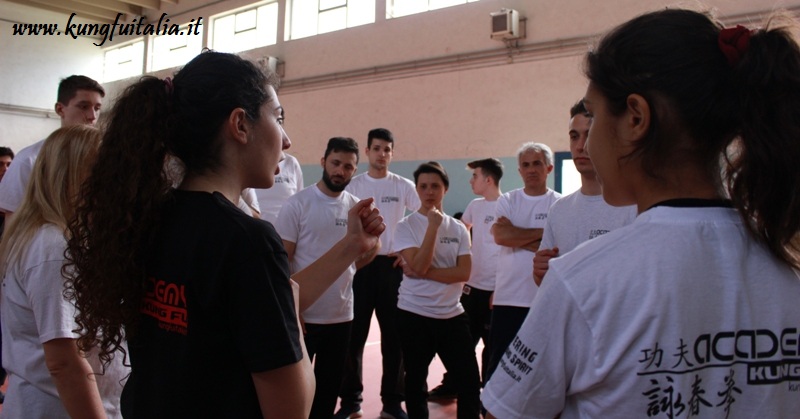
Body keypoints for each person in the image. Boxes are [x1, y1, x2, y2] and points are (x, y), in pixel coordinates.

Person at [483, 8, 800, 418]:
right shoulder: (787, 270)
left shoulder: (583, 282)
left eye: (593, 118)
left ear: (635, 118)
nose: (585, 143)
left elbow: (507, 411)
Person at [63, 51, 385, 419]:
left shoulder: (148, 217)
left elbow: (255, 305)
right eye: (278, 119)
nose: (287, 140)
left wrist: (351, 246)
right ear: (240, 125)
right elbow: (291, 409)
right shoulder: (246, 241)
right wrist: (294, 326)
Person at [0, 125, 128, 418]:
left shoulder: (54, 238)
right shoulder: (53, 246)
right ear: (76, 177)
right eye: (105, 171)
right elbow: (64, 361)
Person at [276, 136, 376, 419]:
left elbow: (371, 248)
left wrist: (355, 264)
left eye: (348, 166)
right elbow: (283, 261)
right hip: (304, 317)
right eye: (335, 163)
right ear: (323, 162)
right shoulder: (298, 204)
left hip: (341, 316)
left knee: (328, 390)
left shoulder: (357, 207)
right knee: (298, 393)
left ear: (354, 170)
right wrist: (294, 306)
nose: (340, 171)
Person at [337, 128, 419, 419]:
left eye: (387, 149)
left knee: (394, 338)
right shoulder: (355, 187)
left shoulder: (403, 185)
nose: (382, 153)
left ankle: (393, 402)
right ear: (368, 152)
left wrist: (406, 249)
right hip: (360, 267)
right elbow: (339, 223)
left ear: (392, 153)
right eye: (377, 148)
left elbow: (424, 216)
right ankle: (350, 401)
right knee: (354, 335)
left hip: (391, 268)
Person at [393, 161, 480, 419]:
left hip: (451, 315)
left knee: (469, 382)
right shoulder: (405, 227)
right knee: (415, 381)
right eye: (423, 186)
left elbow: (463, 273)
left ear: (445, 189)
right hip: (413, 315)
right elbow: (418, 264)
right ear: (416, 190)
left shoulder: (459, 230)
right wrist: (433, 226)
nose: (429, 192)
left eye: (435, 186)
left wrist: (424, 272)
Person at [532, 100, 637, 284]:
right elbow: (544, 281)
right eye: (574, 136)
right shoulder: (559, 210)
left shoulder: (634, 206)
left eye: (589, 135)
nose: (580, 146)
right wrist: (540, 272)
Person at [429, 158, 503, 400]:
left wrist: (501, 288)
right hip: (472, 286)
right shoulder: (475, 205)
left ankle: (488, 397)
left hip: (496, 290)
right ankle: (452, 386)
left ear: (488, 180)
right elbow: (462, 230)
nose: (471, 181)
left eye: (475, 176)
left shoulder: (507, 205)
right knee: (460, 344)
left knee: (491, 349)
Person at [486, 143, 560, 383]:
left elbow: (558, 249)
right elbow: (501, 236)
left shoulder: (560, 204)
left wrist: (517, 236)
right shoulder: (508, 200)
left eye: (537, 163)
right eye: (525, 165)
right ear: (519, 171)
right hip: (508, 299)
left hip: (543, 299)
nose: (531, 169)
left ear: (548, 168)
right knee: (500, 367)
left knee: (541, 370)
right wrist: (544, 233)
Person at [0, 75, 104, 215]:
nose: (92, 116)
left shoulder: (106, 159)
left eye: (97, 108)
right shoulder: (29, 160)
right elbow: (12, 224)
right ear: (60, 109)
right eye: (84, 106)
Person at [255, 153, 304, 224]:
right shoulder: (250, 162)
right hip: (258, 229)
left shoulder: (291, 162)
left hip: (288, 229)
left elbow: (300, 201)